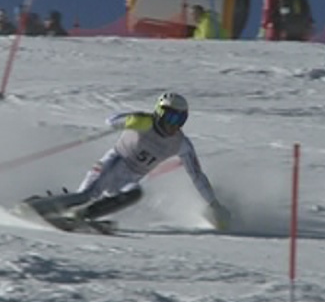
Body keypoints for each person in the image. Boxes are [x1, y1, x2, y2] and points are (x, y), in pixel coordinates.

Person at [69, 92, 231, 229]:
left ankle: (86, 215)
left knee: (135, 193)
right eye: (171, 118)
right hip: (113, 162)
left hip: (131, 177)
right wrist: (130, 120)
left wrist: (213, 204)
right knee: (86, 194)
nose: (174, 125)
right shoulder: (144, 122)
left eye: (180, 120)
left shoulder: (181, 143)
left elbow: (197, 175)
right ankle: (69, 208)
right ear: (160, 113)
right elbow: (111, 120)